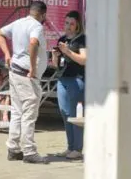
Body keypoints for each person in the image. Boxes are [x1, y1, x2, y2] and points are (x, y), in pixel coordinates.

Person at [0, 1, 49, 164]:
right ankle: (29, 152)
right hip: (27, 76)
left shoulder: (19, 23)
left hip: (15, 72)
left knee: (17, 111)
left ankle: (13, 148)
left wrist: (7, 54)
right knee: (28, 114)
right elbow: (33, 43)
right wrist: (33, 67)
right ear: (43, 15)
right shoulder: (36, 26)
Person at [51, 10, 87, 160]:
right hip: (62, 79)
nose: (68, 26)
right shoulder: (62, 38)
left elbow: (84, 60)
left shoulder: (82, 39)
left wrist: (68, 52)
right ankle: (70, 146)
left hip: (76, 79)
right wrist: (55, 55)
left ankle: (77, 148)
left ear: (77, 25)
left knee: (75, 115)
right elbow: (55, 65)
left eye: (72, 24)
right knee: (65, 113)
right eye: (66, 23)